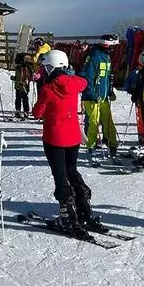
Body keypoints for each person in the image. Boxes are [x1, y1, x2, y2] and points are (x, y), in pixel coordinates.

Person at [33, 49, 106, 234]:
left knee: (60, 175)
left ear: (50, 68)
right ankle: (84, 210)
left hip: (55, 137)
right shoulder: (74, 83)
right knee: (71, 171)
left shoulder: (49, 88)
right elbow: (83, 82)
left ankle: (67, 216)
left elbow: (37, 113)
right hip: (73, 136)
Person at [78, 34, 119, 163]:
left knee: (108, 121)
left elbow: (106, 78)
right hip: (92, 97)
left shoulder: (106, 57)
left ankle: (112, 144)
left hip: (103, 96)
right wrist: (91, 94)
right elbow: (87, 77)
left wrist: (110, 90)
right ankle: (91, 146)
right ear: (107, 44)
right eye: (113, 46)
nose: (114, 49)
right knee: (94, 122)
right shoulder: (94, 56)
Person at [12, 54, 32, 120]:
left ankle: (24, 111)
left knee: (24, 98)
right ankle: (20, 111)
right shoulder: (21, 67)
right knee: (21, 98)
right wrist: (15, 78)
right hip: (20, 85)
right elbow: (19, 76)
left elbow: (28, 76)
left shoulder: (26, 67)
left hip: (23, 85)